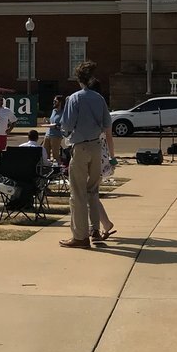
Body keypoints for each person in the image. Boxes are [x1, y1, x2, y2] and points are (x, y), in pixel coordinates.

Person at [61, 62, 111, 248]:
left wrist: (68, 134)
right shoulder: (99, 98)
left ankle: (80, 237)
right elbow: (107, 123)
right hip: (96, 146)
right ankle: (95, 230)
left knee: (78, 194)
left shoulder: (74, 99)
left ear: (78, 80)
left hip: (80, 147)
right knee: (92, 191)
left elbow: (66, 125)